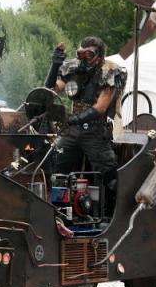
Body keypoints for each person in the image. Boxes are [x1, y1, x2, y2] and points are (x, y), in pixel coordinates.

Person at [46, 36, 126, 183]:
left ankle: (110, 204)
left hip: (95, 130)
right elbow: (51, 92)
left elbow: (100, 107)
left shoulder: (110, 71)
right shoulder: (73, 69)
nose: (84, 58)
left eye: (89, 54)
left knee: (108, 173)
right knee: (58, 164)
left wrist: (71, 119)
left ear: (100, 55)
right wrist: (55, 66)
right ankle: (63, 204)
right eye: (81, 54)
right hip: (72, 130)